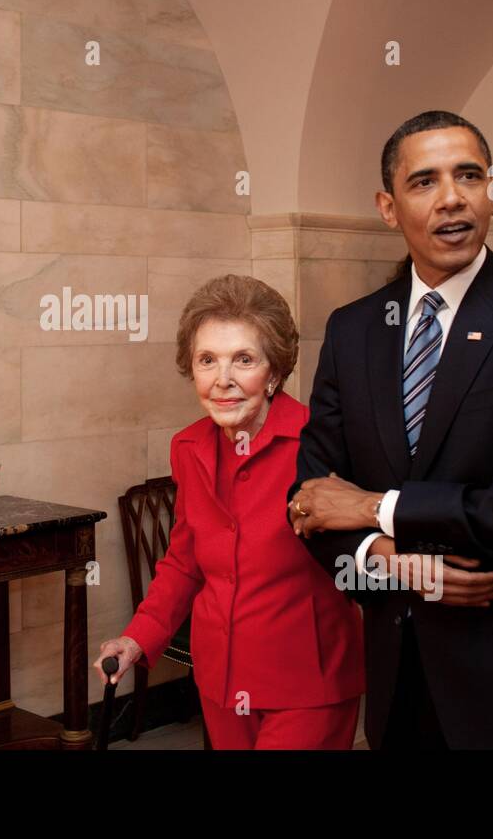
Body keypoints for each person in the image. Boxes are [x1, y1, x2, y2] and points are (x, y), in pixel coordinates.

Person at [287, 110, 493, 749]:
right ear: (388, 207)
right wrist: (394, 565)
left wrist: (375, 507)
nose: (452, 197)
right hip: (397, 672)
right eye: (424, 181)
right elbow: (311, 500)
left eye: (469, 176)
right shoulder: (353, 329)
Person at [95, 275, 364, 749]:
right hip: (221, 680)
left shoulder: (321, 443)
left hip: (308, 682)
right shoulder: (188, 447)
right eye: (207, 360)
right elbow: (184, 562)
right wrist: (137, 638)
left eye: (244, 359)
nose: (223, 379)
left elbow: (369, 553)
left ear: (274, 371)